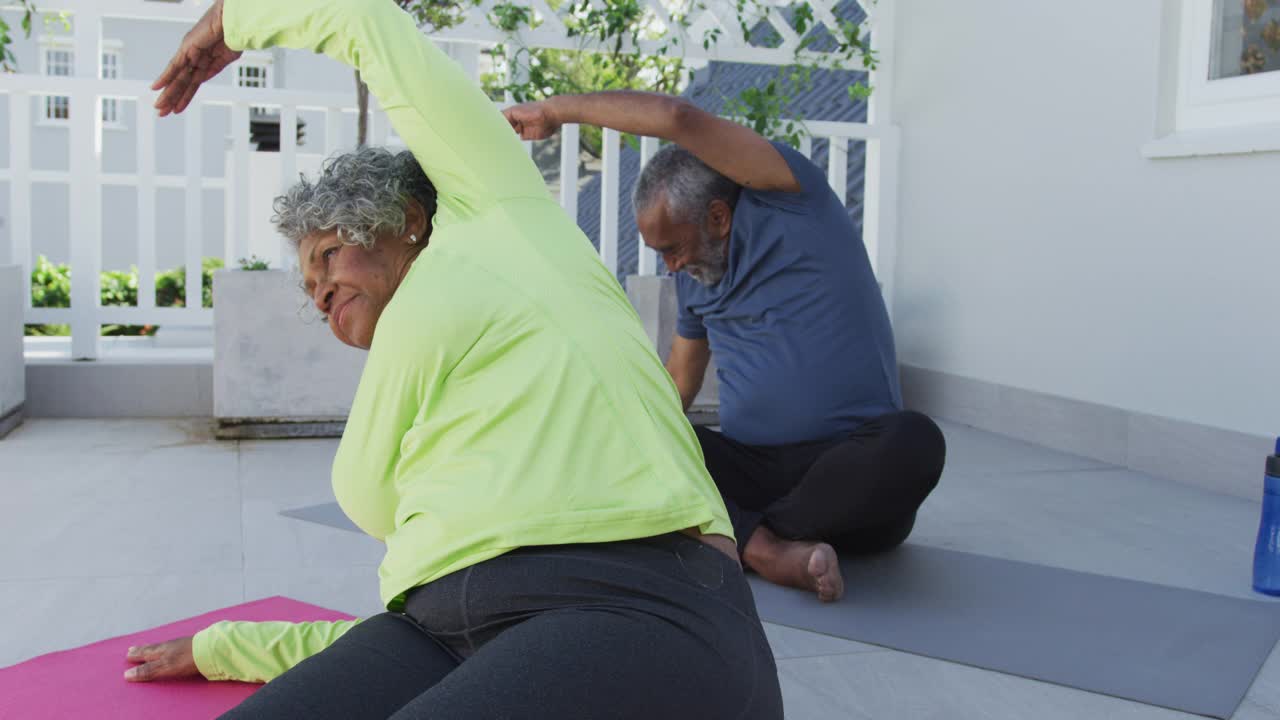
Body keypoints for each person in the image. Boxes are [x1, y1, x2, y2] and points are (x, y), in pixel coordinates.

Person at [120, 1, 783, 717]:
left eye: (328, 256)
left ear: (406, 220)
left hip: (635, 593)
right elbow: (447, 619)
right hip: (435, 628)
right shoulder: (429, 394)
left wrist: (236, 18)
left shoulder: (493, 222)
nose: (318, 293)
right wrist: (228, 648)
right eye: (309, 288)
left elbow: (368, 25)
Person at [504, 92, 947, 603]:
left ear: (718, 216)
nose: (669, 267)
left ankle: (740, 536)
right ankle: (766, 549)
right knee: (646, 438)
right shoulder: (695, 281)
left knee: (916, 440)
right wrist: (622, 442)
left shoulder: (791, 197)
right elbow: (677, 388)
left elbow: (677, 118)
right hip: (753, 470)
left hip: (848, 474)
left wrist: (557, 112)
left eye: (672, 247)